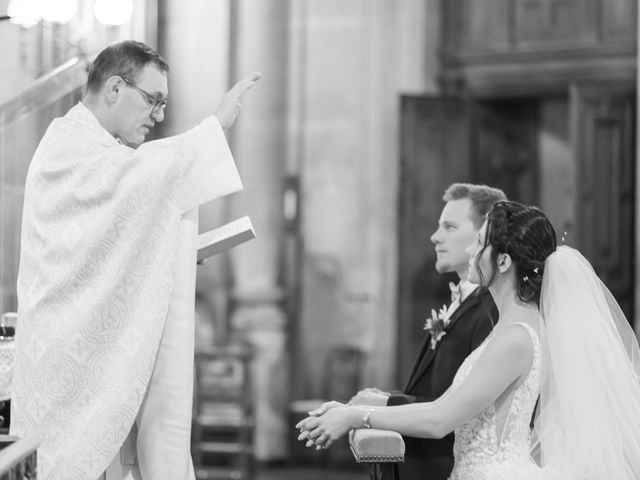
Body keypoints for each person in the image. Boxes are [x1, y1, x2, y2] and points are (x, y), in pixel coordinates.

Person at [10, 40, 261, 480]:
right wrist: (212, 129)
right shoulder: (68, 145)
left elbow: (112, 232)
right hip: (65, 372)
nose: (159, 115)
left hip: (87, 365)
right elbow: (131, 187)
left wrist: (169, 254)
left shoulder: (97, 150)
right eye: (153, 100)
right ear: (114, 88)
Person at [297, 200, 640, 480]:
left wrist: (356, 416)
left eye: (481, 242)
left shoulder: (516, 339)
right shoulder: (511, 327)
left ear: (503, 261)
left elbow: (439, 419)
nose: (472, 249)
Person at [347, 183, 506, 480]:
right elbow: (438, 393)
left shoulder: (490, 311)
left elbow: (463, 410)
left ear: (485, 235)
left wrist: (383, 405)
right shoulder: (463, 303)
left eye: (449, 227)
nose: (435, 237)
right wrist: (389, 398)